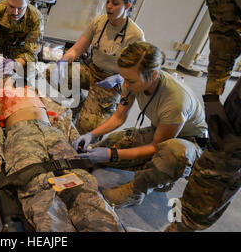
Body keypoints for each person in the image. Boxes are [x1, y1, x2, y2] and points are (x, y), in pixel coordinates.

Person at [165, 0, 241, 232]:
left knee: (224, 157)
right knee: (222, 152)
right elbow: (226, 25)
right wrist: (213, 93)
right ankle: (182, 226)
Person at [0, 78, 123, 232]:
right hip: (21, 133)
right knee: (38, 188)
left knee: (82, 184)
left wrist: (76, 139)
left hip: (53, 133)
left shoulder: (35, 89)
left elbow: (62, 115)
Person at [72, 42, 208, 208]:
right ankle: (161, 173)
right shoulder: (133, 81)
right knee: (109, 145)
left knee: (171, 152)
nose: (126, 85)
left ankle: (138, 190)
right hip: (162, 131)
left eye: (130, 81)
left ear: (153, 76)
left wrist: (111, 154)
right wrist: (92, 135)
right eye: (124, 78)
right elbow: (119, 117)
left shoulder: (176, 102)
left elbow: (156, 146)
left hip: (189, 144)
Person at [52, 0, 145, 136]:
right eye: (108, 1)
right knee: (51, 73)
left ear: (127, 5)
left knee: (86, 127)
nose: (108, 6)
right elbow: (76, 49)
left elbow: (138, 72)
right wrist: (62, 62)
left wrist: (118, 78)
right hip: (92, 70)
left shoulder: (135, 35)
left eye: (115, 3)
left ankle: (92, 106)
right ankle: (81, 101)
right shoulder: (99, 22)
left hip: (111, 82)